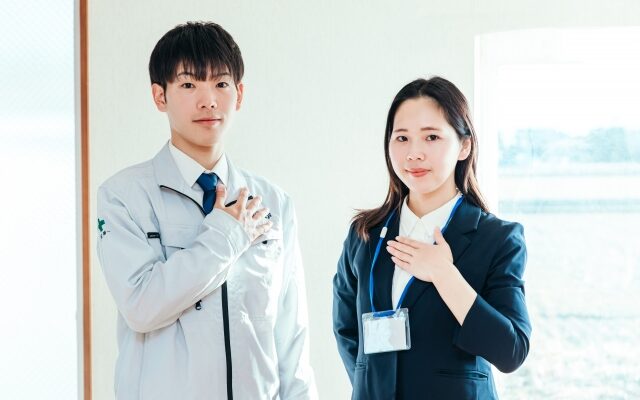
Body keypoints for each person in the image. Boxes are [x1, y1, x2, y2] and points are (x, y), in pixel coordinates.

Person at [97, 21, 316, 400]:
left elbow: (291, 336)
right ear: (159, 96)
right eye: (188, 85)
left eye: (221, 83)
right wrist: (227, 233)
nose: (208, 100)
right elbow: (141, 306)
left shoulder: (273, 201)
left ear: (239, 93)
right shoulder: (123, 196)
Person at [332, 76, 531, 399]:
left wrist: (444, 275)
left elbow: (511, 351)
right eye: (402, 138)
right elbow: (347, 332)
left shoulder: (497, 238)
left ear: (464, 146)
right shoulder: (365, 234)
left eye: (432, 137)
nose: (414, 153)